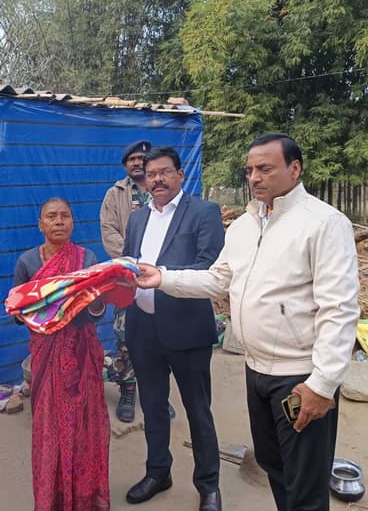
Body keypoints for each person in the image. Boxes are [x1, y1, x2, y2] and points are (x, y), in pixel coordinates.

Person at [136, 133, 360, 511]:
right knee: (275, 467)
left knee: (305, 483)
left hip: (299, 374)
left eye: (265, 168)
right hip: (256, 370)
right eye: (250, 170)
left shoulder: (323, 223)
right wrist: (163, 277)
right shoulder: (245, 225)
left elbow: (339, 308)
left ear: (294, 169)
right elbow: (217, 280)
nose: (255, 177)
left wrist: (322, 384)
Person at [122, 146, 224, 511]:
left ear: (180, 175)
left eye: (165, 172)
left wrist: (163, 277)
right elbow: (130, 265)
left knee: (198, 411)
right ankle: (157, 472)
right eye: (151, 174)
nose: (158, 180)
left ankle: (208, 486)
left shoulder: (203, 212)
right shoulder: (138, 219)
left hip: (187, 329)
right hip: (143, 328)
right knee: (153, 407)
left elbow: (209, 268)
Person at [13, 197, 110, 511]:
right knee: (48, 427)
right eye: (51, 216)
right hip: (46, 355)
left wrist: (95, 297)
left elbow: (96, 312)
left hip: (81, 354)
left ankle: (84, 497)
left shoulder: (86, 259)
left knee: (84, 426)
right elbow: (17, 314)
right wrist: (39, 305)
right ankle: (52, 499)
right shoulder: (27, 262)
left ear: (73, 222)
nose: (58, 221)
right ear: (40, 224)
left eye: (65, 216)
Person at [100, 139, 151, 422]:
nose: (136, 162)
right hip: (126, 277)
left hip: (159, 276)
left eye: (141, 158)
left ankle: (156, 391)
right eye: (131, 159)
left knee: (158, 335)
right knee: (125, 335)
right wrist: (132, 262)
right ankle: (128, 390)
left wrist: (155, 262)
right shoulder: (115, 194)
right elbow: (108, 231)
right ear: (125, 165)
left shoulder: (160, 190)